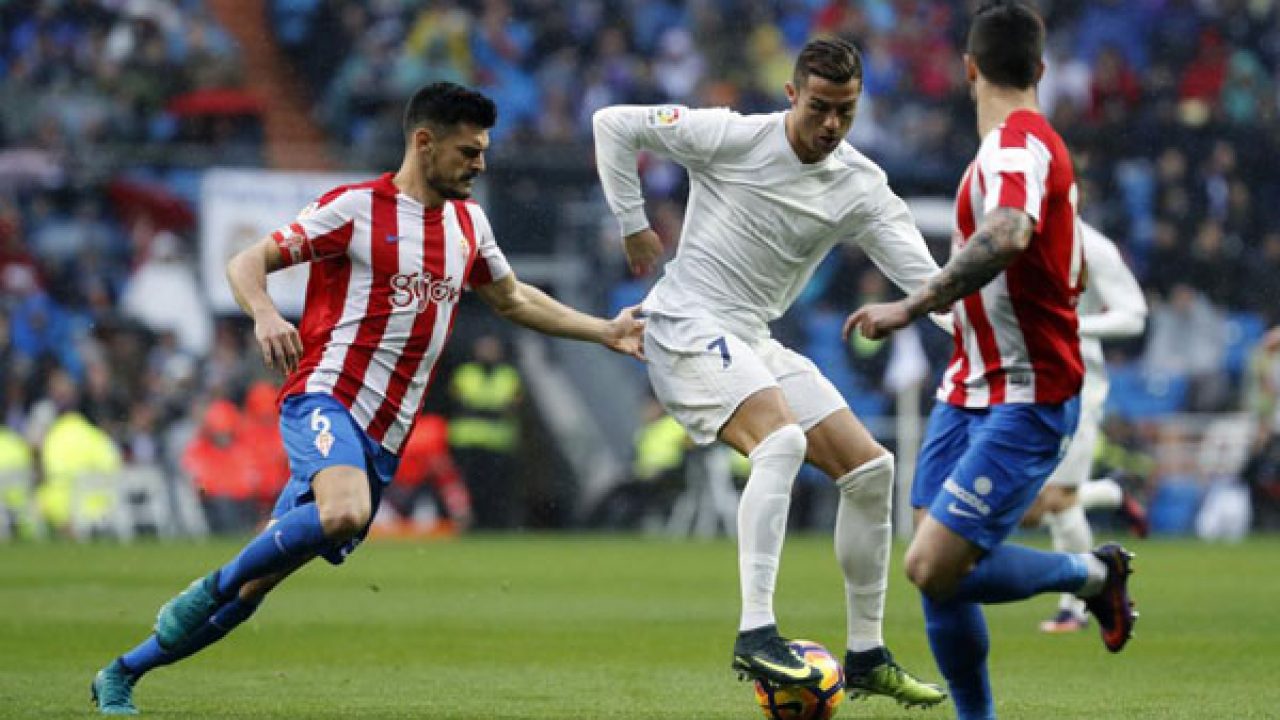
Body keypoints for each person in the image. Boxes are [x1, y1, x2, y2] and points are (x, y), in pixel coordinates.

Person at [90, 81, 644, 715]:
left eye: (483, 152)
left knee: (255, 588)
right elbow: (246, 261)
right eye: (468, 152)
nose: (480, 165)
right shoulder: (355, 210)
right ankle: (208, 584)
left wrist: (604, 331)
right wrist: (265, 314)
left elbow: (514, 299)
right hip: (324, 397)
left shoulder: (468, 223)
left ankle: (121, 673)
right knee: (343, 513)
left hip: (384, 435)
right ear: (424, 142)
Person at [593, 37, 944, 705]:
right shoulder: (733, 137)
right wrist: (632, 223)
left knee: (872, 470)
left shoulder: (860, 185)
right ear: (791, 95)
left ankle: (866, 655)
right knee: (780, 441)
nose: (832, 125)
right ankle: (756, 632)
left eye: (846, 111)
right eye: (819, 107)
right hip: (685, 324)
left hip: (751, 338)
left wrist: (985, 335)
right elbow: (613, 123)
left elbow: (930, 282)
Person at [844, 4, 1138, 718]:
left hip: (1028, 391)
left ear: (968, 68)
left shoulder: (1016, 146)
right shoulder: (1013, 147)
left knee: (931, 565)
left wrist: (911, 305)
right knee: (936, 570)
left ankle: (1094, 575)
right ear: (1041, 69)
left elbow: (1007, 232)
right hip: (968, 385)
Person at [1020, 221, 1149, 633]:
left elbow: (1134, 316)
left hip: (1077, 384)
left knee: (1056, 499)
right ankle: (1112, 492)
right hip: (1017, 382)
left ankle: (1075, 608)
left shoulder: (1091, 245)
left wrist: (1073, 325)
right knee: (1028, 509)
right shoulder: (1007, 232)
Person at [446, 333, 522, 528]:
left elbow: (514, 406)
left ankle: (493, 524)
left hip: (497, 443)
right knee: (467, 487)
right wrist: (493, 410)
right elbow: (457, 403)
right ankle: (469, 524)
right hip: (467, 442)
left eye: (491, 349)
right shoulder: (465, 373)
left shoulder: (509, 376)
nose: (487, 353)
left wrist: (478, 408)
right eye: (484, 349)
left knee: (495, 489)